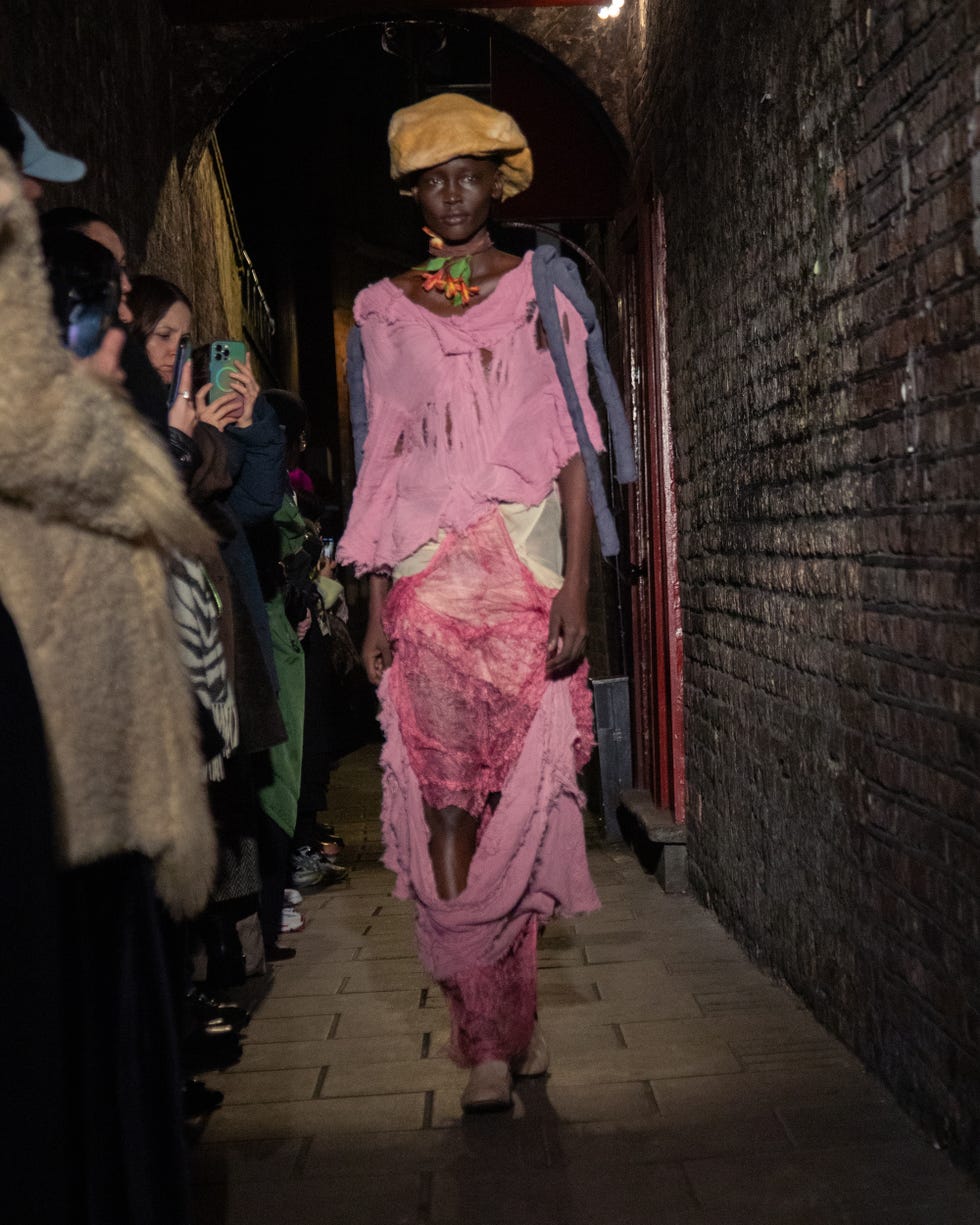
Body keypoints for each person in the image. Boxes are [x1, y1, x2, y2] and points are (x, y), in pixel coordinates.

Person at [337, 93, 634, 1112]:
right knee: (448, 803)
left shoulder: (542, 292)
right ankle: (484, 1042)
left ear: (497, 184)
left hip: (523, 589)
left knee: (527, 809)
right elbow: (380, 458)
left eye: (471, 171)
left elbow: (573, 459)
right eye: (433, 175)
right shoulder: (383, 307)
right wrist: (374, 604)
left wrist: (579, 598)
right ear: (413, 192)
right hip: (424, 588)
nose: (453, 190)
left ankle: (518, 1015)